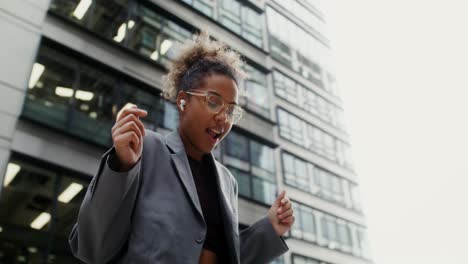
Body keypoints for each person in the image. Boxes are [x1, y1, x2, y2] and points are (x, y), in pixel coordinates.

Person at [69, 31, 295, 264]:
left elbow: (230, 256)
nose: (223, 118)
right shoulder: (145, 148)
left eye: (230, 110)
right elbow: (91, 248)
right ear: (182, 101)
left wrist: (270, 229)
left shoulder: (228, 182)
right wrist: (123, 166)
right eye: (213, 101)